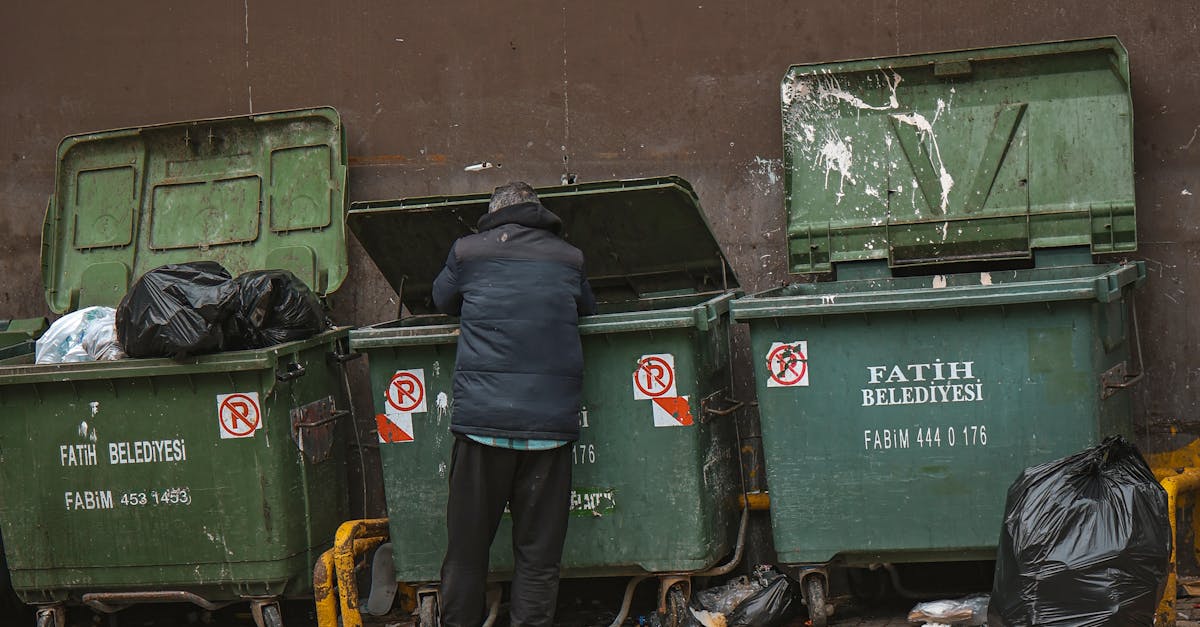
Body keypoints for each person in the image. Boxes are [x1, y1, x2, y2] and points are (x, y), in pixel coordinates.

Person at [432, 181, 595, 627]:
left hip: (482, 427)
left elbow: (441, 299)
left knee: (466, 553)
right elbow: (588, 308)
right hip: (548, 432)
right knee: (538, 559)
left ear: (494, 213)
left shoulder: (467, 252)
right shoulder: (569, 257)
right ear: (538, 213)